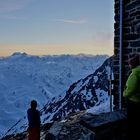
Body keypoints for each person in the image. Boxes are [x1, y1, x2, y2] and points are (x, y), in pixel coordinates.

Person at [123, 53, 140, 140]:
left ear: (133, 64)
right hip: (138, 100)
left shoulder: (134, 74)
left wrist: (124, 93)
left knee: (132, 121)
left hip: (133, 101)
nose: (128, 65)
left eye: (129, 63)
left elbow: (131, 89)